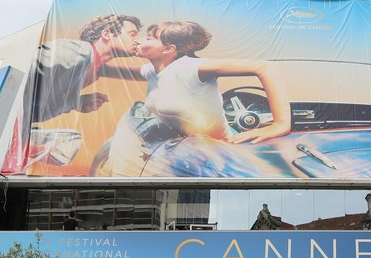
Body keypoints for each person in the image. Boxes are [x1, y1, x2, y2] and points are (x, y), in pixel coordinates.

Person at [93, 19, 291, 176]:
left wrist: (281, 123)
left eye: (149, 38)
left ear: (169, 49)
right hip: (186, 153)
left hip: (220, 157)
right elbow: (104, 68)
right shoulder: (151, 71)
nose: (140, 40)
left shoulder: (191, 67)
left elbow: (266, 67)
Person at [2, 12, 143, 175]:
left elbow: (139, 72)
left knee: (70, 142)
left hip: (25, 122)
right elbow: (32, 66)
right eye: (132, 34)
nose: (136, 40)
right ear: (107, 34)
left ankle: (22, 149)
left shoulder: (96, 66)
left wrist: (76, 102)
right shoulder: (79, 52)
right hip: (13, 116)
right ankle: (17, 151)